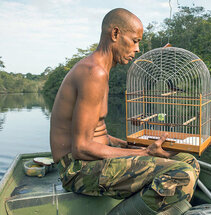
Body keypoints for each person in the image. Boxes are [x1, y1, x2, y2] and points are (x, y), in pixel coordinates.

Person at [50, 8, 200, 215]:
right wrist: (144, 152)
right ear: (115, 34)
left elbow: (96, 134)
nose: (137, 48)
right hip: (75, 169)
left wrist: (128, 144)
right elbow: (81, 148)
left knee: (188, 160)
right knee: (182, 174)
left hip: (91, 160)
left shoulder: (100, 70)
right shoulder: (94, 72)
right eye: (135, 40)